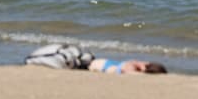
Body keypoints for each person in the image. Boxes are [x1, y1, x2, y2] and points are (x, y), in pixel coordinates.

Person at [25, 43, 166, 73]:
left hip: (87, 65)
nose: (139, 60)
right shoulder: (130, 67)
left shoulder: (130, 68)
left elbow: (130, 73)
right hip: (88, 62)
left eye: (145, 63)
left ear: (145, 67)